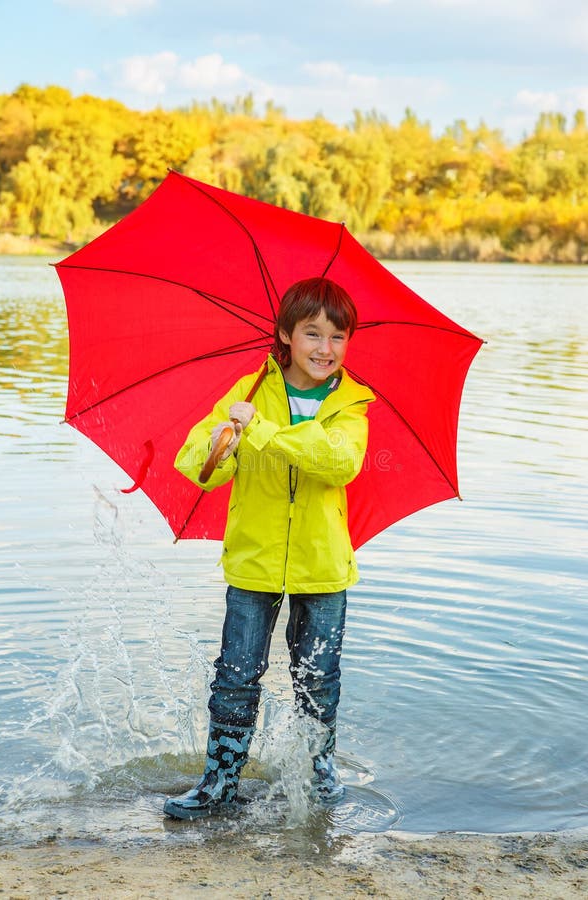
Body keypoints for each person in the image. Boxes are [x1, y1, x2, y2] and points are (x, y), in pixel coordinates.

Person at [164, 276, 375, 819]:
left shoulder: (352, 405)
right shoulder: (250, 391)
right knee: (235, 675)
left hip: (324, 568)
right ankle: (220, 779)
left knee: (318, 679)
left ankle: (318, 770)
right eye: (312, 334)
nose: (325, 350)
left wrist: (262, 435)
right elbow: (197, 469)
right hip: (254, 561)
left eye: (338, 337)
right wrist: (219, 445)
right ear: (285, 334)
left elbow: (340, 462)